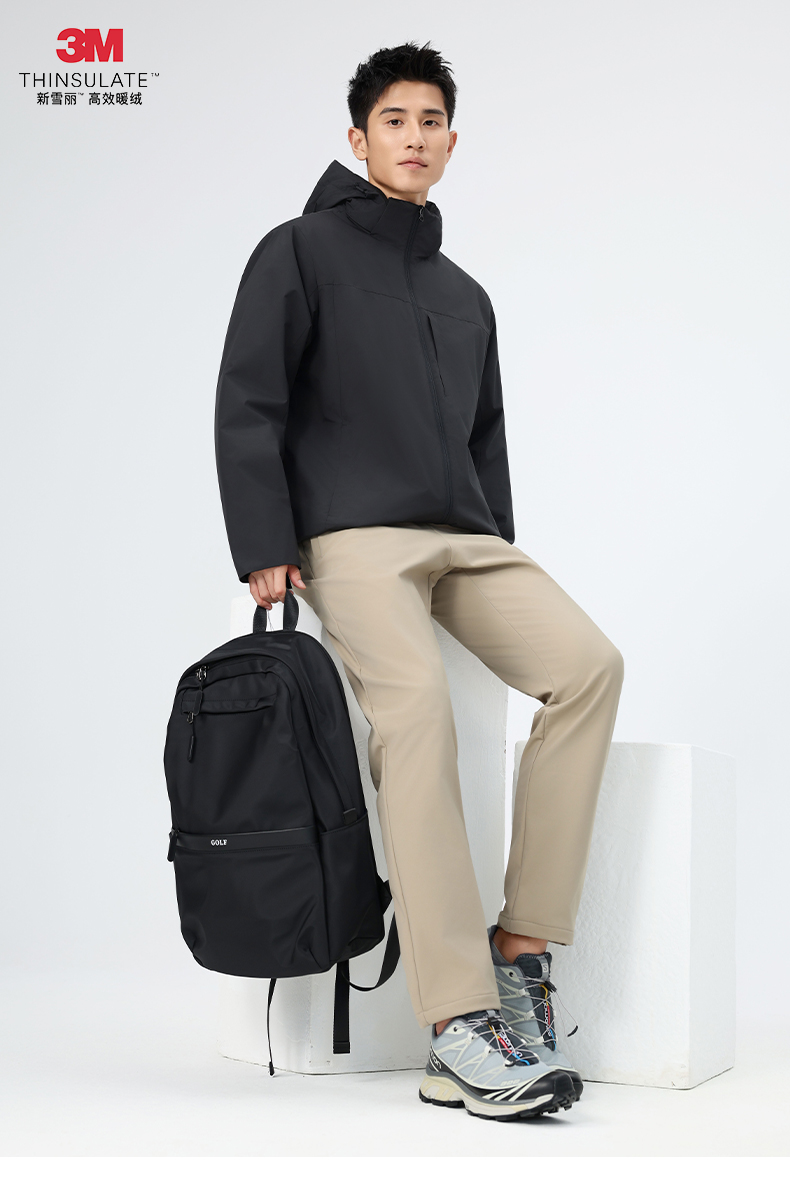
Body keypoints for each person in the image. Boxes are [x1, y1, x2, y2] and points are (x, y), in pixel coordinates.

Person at [214, 41, 624, 1122]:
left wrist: (503, 548)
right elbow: (249, 398)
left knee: (589, 666)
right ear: (359, 138)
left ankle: (521, 945)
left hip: (463, 538)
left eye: (431, 120)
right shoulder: (298, 250)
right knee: (417, 712)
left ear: (451, 141)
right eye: (394, 120)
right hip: (352, 539)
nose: (414, 137)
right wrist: (263, 538)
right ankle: (457, 1021)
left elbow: (487, 439)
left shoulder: (464, 293)